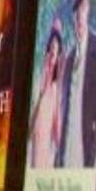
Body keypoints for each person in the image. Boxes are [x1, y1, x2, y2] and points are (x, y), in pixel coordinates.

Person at [62, 0, 96, 168]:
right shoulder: (70, 56)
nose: (79, 16)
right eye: (76, 11)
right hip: (68, 147)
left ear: (89, 11)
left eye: (84, 8)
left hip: (85, 147)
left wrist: (92, 154)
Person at [30, 23, 69, 168]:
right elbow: (38, 99)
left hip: (49, 125)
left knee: (47, 161)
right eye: (51, 48)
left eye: (56, 49)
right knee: (36, 160)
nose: (53, 52)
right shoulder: (43, 72)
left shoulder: (58, 80)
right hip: (40, 124)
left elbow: (58, 106)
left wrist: (57, 130)